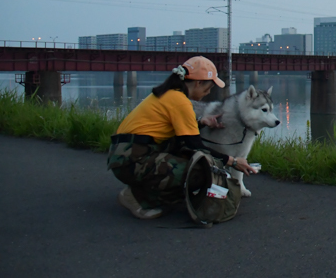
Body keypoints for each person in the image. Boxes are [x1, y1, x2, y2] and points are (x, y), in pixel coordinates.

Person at [107, 56, 256, 219]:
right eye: (208, 88)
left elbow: (176, 132)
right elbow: (196, 145)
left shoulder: (169, 94)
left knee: (188, 159)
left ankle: (146, 188)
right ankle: (138, 197)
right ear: (198, 83)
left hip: (124, 155)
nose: (209, 92)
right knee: (201, 172)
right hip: (133, 158)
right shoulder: (180, 101)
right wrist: (232, 161)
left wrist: (201, 122)